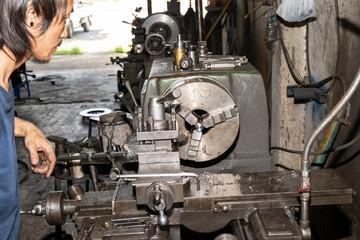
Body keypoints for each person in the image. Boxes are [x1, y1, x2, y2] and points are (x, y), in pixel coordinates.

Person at [0, 0, 73, 238]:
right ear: (32, 16)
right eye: (63, 19)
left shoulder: (5, 81)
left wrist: (26, 129)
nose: (64, 32)